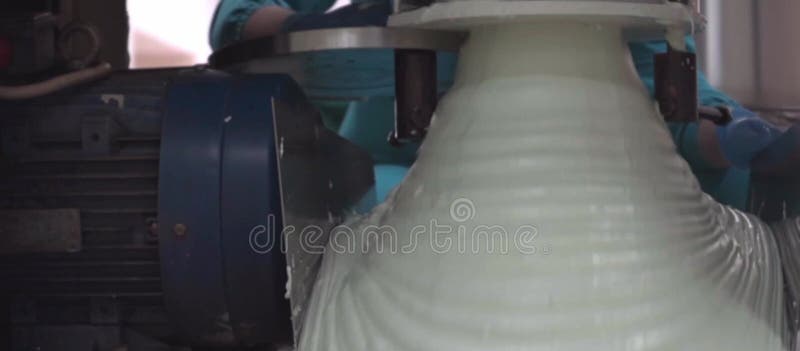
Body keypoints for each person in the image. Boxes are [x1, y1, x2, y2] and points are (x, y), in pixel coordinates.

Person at [210, 0, 797, 209]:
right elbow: (235, 22)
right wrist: (332, 34)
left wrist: (730, 135)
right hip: (385, 190)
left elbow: (684, 120)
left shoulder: (631, 26)